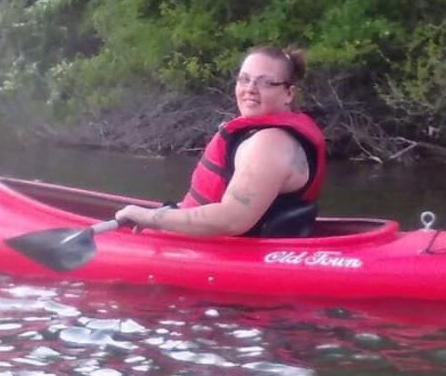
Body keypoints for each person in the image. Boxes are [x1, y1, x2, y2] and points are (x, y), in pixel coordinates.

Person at [114, 45, 325, 237]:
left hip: (242, 253)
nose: (250, 89)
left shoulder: (269, 144)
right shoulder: (266, 135)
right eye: (244, 79)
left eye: (265, 83)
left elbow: (232, 220)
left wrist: (146, 217)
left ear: (288, 93)